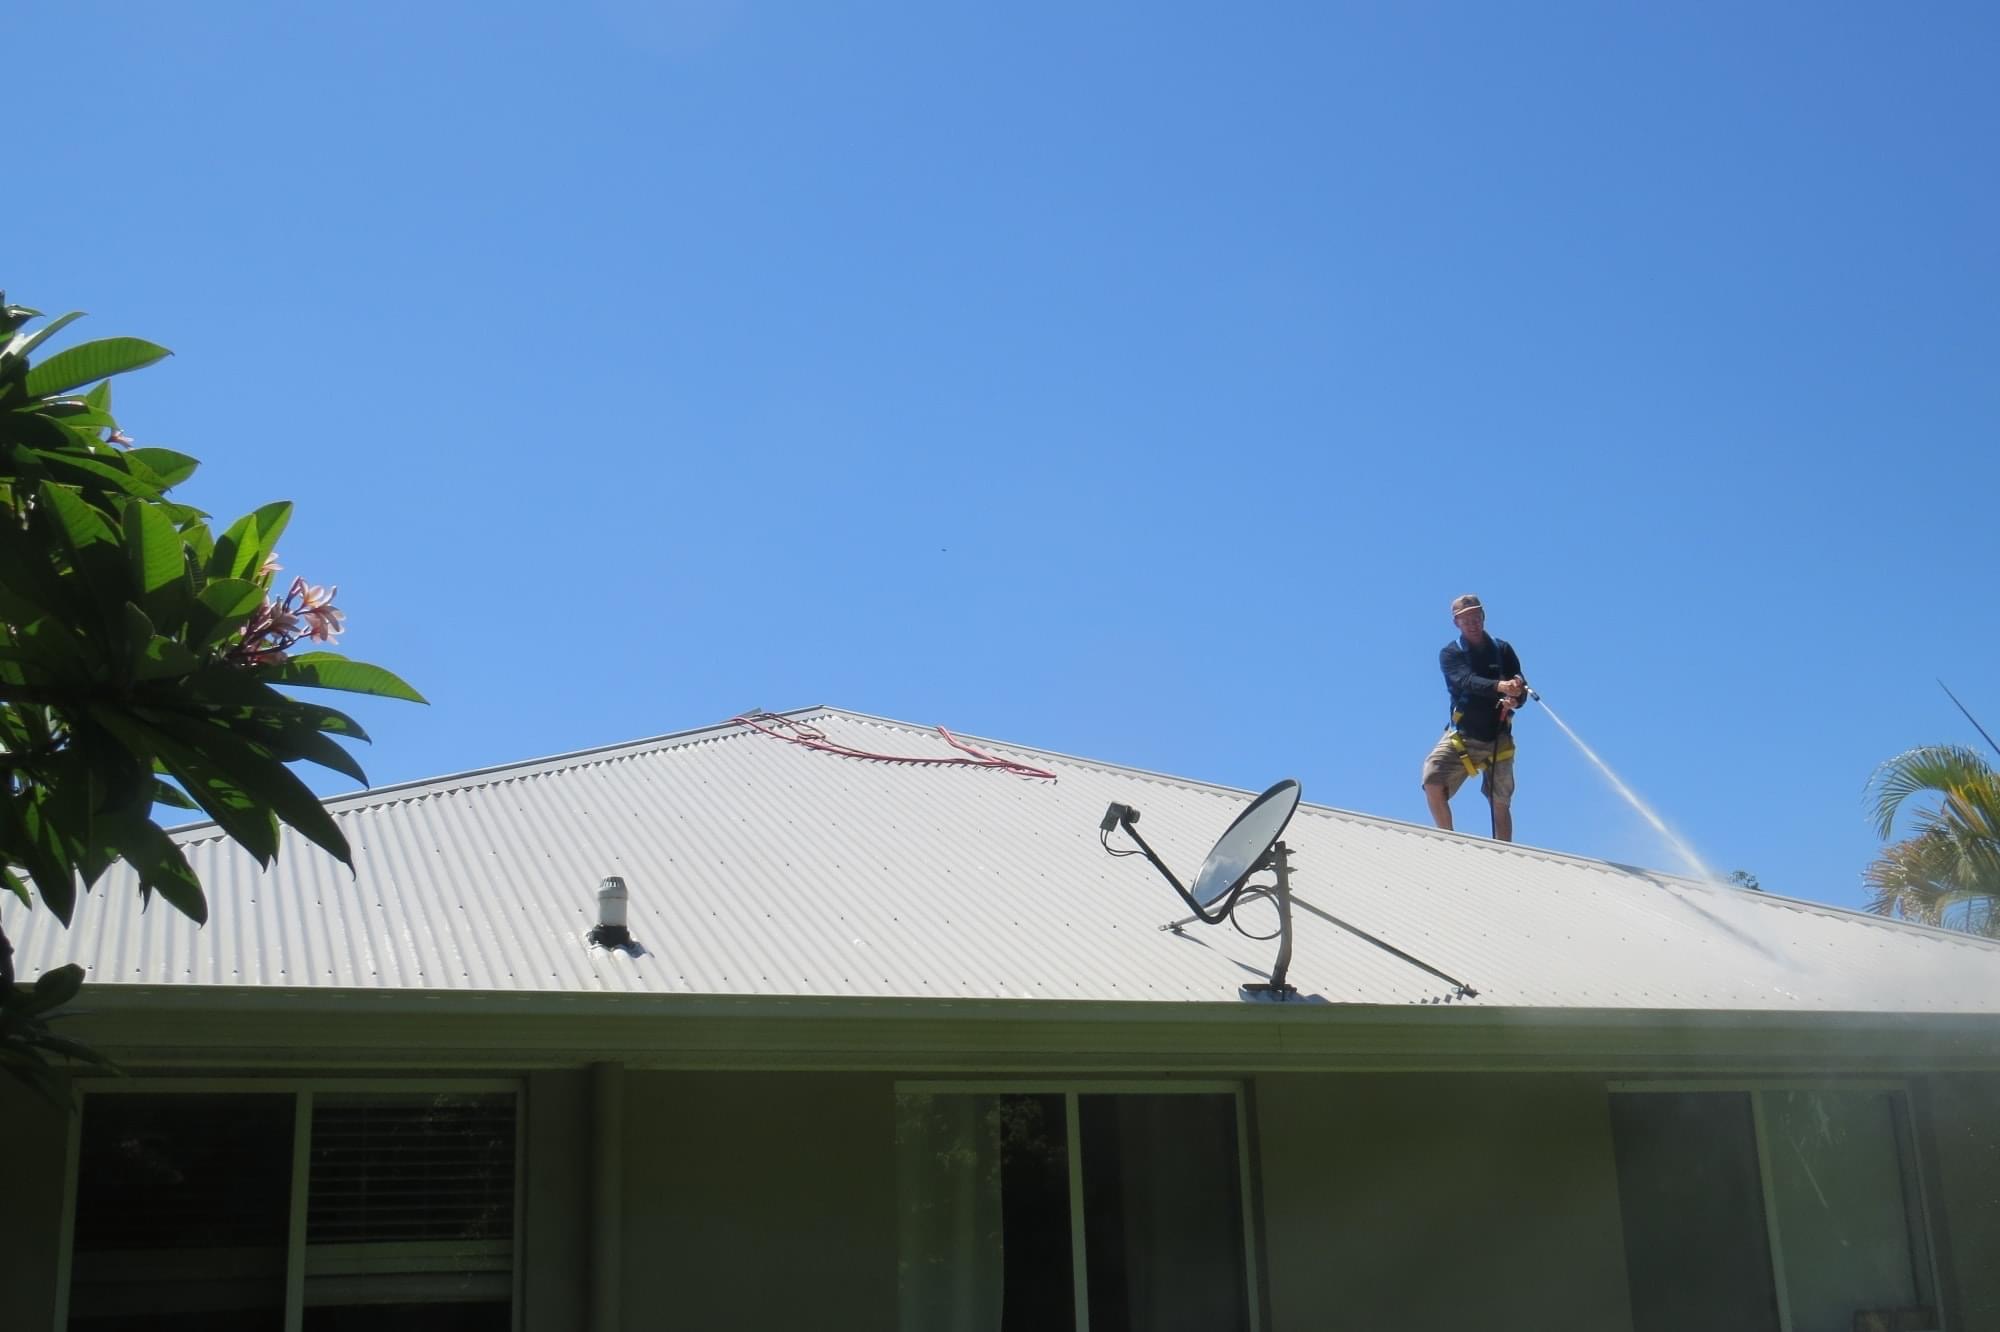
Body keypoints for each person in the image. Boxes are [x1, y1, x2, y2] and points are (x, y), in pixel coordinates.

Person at [1422, 593, 1528, 841]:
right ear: (1456, 623)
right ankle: (1447, 840)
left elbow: (1521, 685)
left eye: (1476, 616)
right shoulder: (1451, 654)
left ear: (1483, 617)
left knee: (1499, 799)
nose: (1472, 622)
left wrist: (1516, 694)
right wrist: (1500, 687)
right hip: (1464, 736)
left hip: (1498, 737)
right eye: (1465, 619)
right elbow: (1466, 681)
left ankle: (1503, 851)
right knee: (1432, 779)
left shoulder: (1502, 650)